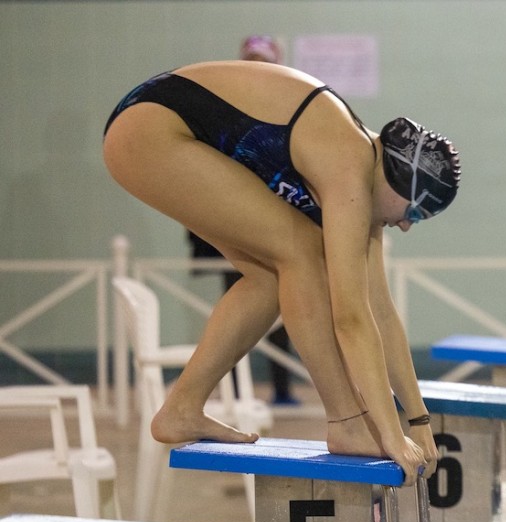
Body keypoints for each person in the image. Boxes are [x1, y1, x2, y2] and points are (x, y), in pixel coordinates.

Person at [103, 61, 461, 483]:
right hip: (150, 130)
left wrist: (418, 421)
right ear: (402, 182)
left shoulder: (360, 169)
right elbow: (351, 318)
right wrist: (389, 433)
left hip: (151, 127)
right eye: (415, 213)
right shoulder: (349, 164)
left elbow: (380, 312)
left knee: (270, 278)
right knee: (302, 252)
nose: (405, 226)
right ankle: (345, 420)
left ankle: (182, 407)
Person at [188, 34, 300, 406]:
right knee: (238, 311)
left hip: (274, 230)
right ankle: (234, 393)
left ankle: (282, 389)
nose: (258, 69)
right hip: (234, 231)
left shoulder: (290, 110)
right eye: (252, 62)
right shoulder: (221, 110)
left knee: (282, 312)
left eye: (263, 62)